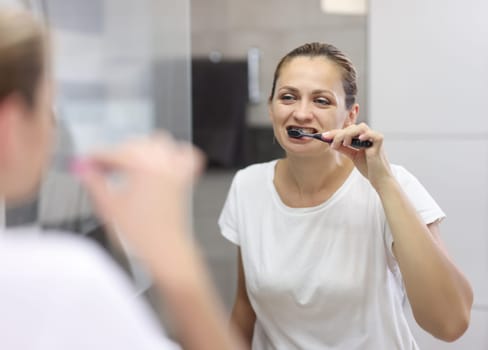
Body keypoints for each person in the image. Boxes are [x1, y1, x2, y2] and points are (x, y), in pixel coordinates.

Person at [0, 8, 244, 350]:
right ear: (9, 126)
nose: (53, 131)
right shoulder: (59, 281)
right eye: (47, 106)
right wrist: (170, 252)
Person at [219, 42, 473, 349]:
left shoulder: (396, 186)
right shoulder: (248, 186)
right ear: (271, 106)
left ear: (349, 116)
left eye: (321, 101)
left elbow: (450, 322)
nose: (301, 113)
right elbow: (246, 309)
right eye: (288, 97)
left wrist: (383, 183)